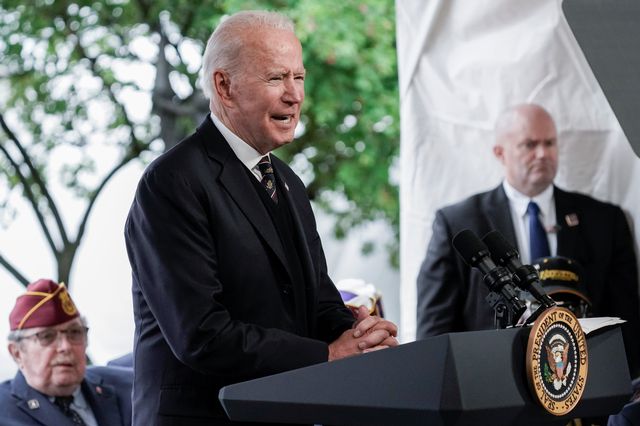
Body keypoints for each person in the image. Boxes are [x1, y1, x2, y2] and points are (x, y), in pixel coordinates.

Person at [124, 10, 398, 426]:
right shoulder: (172, 183)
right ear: (225, 86)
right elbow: (202, 334)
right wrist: (327, 354)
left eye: (299, 77)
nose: (295, 95)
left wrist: (360, 334)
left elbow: (318, 300)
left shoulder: (286, 179)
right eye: (276, 78)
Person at [415, 103, 640, 377]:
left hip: (586, 388)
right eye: (529, 145)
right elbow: (435, 327)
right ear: (500, 153)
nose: (543, 154)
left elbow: (627, 317)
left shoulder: (604, 219)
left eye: (549, 143)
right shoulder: (459, 223)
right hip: (492, 386)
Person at [0, 279, 133, 426]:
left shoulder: (128, 386)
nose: (65, 346)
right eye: (47, 336)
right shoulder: (4, 412)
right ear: (17, 353)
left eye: (75, 332)